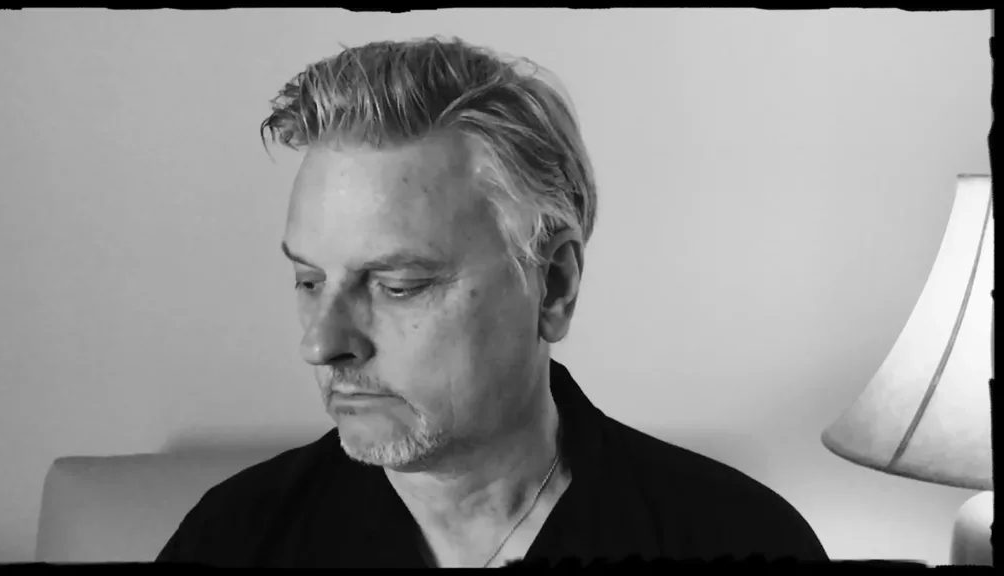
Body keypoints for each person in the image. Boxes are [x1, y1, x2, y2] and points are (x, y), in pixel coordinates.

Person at [156, 36, 828, 568]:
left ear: (554, 286)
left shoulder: (739, 538)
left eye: (397, 286)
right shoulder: (233, 539)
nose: (321, 343)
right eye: (308, 281)